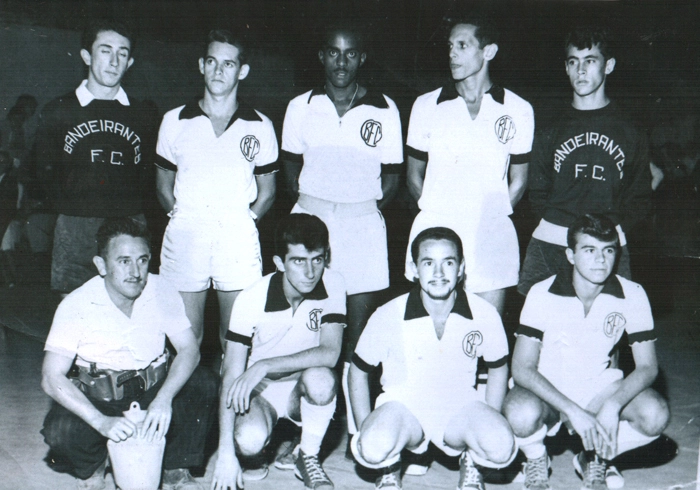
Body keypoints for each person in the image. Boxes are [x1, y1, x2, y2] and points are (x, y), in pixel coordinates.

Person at [280, 21, 403, 438]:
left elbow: (392, 177)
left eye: (350, 53)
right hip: (312, 224)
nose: (341, 61)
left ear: (362, 58)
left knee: (358, 334)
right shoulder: (301, 106)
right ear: (321, 56)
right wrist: (318, 211)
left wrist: (357, 209)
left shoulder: (385, 109)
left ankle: (359, 430)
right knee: (305, 327)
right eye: (333, 52)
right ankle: (301, 427)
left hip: (362, 227)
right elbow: (291, 167)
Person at [40, 217, 218, 490]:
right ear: (101, 265)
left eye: (142, 260)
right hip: (100, 396)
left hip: (151, 390)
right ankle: (93, 470)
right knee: (60, 429)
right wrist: (100, 421)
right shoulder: (76, 304)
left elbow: (189, 350)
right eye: (124, 261)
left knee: (202, 383)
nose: (135, 271)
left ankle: (175, 469)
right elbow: (52, 377)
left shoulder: (161, 290)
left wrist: (164, 399)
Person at [503, 214, 669, 490]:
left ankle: (594, 457)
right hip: (548, 386)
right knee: (520, 413)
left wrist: (613, 406)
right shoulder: (542, 293)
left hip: (598, 387)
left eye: (608, 250)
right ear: (570, 255)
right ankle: (536, 458)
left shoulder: (634, 293)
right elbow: (522, 367)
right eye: (589, 250)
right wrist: (572, 411)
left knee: (655, 414)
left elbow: (648, 367)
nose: (600, 260)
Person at [349, 227, 516, 490]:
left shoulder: (483, 313)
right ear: (414, 269)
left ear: (461, 268)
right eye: (428, 263)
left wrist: (488, 417)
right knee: (372, 446)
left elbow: (498, 368)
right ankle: (390, 465)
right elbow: (358, 371)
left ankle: (471, 459)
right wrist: (363, 428)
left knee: (500, 446)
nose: (438, 274)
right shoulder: (388, 313)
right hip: (403, 405)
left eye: (448, 262)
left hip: (458, 405)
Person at [404, 13, 534, 315]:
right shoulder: (426, 105)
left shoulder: (518, 109)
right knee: (434, 328)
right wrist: (438, 217)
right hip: (438, 230)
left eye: (462, 45)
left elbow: (519, 179)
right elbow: (413, 175)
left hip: (491, 235)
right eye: (450, 46)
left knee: (488, 331)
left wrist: (492, 217)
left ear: (488, 51)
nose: (452, 54)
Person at [156, 29, 278, 346]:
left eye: (228, 64)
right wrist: (182, 216)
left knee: (236, 337)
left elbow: (268, 191)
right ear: (201, 65)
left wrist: (244, 220)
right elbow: (162, 185)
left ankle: (230, 398)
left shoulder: (261, 125)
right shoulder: (174, 120)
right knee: (185, 337)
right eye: (212, 62)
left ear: (243, 70)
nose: (218, 71)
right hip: (187, 233)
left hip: (237, 234)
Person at [211, 213, 346, 490]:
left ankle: (306, 454)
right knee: (248, 440)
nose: (310, 273)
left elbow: (330, 353)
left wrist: (264, 364)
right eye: (298, 261)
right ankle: (258, 455)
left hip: (302, 384)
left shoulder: (334, 284)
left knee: (322, 378)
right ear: (279, 263)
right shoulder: (251, 298)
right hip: (261, 391)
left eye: (317, 259)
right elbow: (232, 373)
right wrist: (225, 452)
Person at [518, 27, 652, 296]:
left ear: (609, 65)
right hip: (552, 242)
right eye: (573, 62)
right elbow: (538, 193)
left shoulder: (629, 130)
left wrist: (612, 231)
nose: (580, 70)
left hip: (606, 245)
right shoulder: (549, 129)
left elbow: (639, 195)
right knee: (539, 331)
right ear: (566, 68)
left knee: (607, 329)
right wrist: (557, 226)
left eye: (590, 61)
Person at [34, 19, 157, 296]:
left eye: (122, 53)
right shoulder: (58, 111)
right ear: (86, 55)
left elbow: (148, 174)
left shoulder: (144, 116)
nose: (114, 61)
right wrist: (74, 206)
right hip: (75, 226)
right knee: (75, 318)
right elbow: (43, 171)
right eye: (105, 50)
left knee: (128, 315)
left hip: (128, 226)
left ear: (130, 62)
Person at [0, 150, 22, 287]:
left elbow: (9, 206)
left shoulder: (10, 181)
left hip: (5, 221)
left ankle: (13, 280)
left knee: (7, 250)